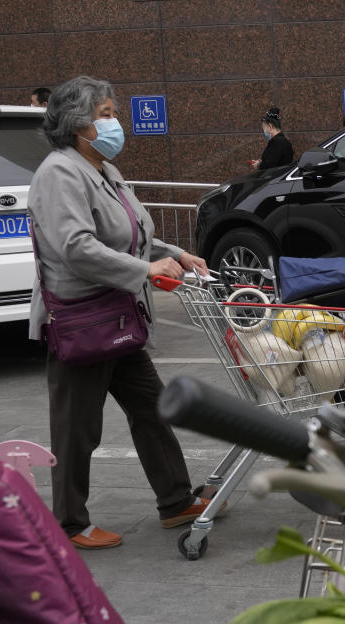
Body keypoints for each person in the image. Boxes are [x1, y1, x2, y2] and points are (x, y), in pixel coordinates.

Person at [27, 75, 212, 550]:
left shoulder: (103, 169)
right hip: (81, 318)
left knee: (153, 408)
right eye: (105, 114)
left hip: (118, 315)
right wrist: (146, 271)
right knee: (76, 428)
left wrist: (176, 253)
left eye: (112, 112)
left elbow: (131, 232)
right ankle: (69, 524)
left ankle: (174, 502)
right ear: (78, 124)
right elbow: (76, 247)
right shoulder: (59, 173)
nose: (115, 123)